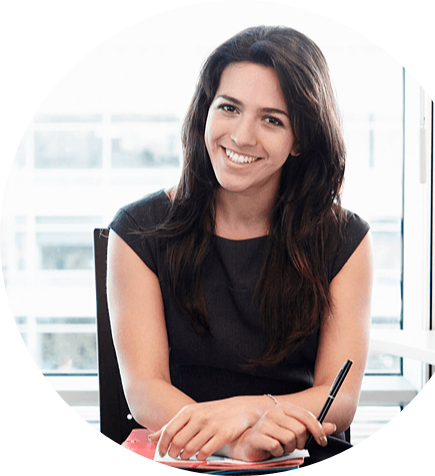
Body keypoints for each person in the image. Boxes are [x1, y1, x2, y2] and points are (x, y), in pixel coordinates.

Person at [107, 25, 373, 465]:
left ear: (300, 140)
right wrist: (234, 443)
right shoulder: (138, 231)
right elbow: (144, 389)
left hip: (299, 451)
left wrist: (248, 410)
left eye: (272, 120)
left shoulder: (345, 239)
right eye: (229, 108)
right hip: (184, 453)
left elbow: (339, 397)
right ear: (205, 112)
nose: (242, 136)